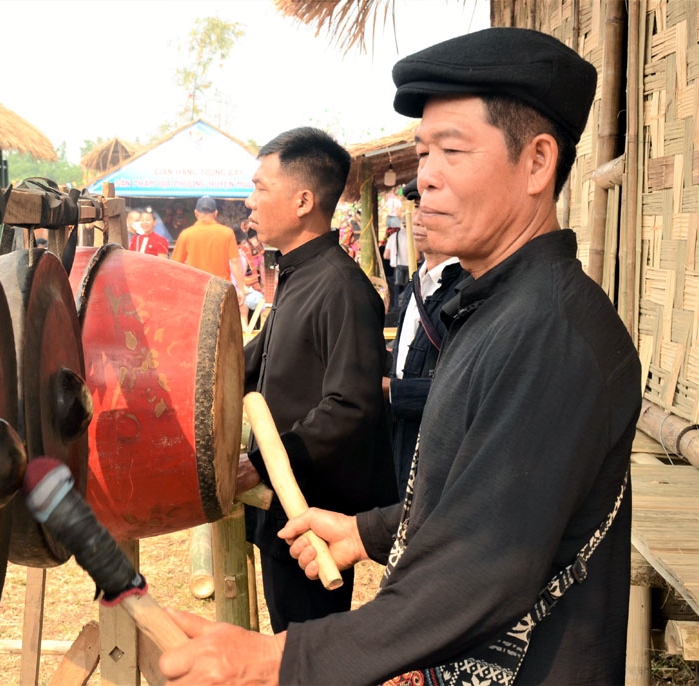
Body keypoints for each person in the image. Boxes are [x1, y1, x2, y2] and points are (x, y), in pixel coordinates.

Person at [160, 28, 641, 685]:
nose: (425, 179)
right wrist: (372, 532)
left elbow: (483, 569)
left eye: (452, 151)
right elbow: (479, 493)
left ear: (536, 164)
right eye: (422, 153)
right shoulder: (490, 307)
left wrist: (275, 659)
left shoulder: (553, 333)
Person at [234, 127, 397, 633]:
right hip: (283, 509)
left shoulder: (342, 288)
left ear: (303, 200)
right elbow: (254, 363)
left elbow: (351, 405)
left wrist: (262, 463)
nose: (249, 200)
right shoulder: (299, 275)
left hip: (312, 512)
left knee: (308, 653)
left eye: (261, 187)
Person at [384, 178, 467, 499]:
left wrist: (391, 391)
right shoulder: (415, 284)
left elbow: (466, 391)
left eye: (432, 209)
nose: (417, 218)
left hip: (441, 448)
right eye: (417, 207)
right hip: (401, 436)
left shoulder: (469, 290)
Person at [171, 196, 245, 305]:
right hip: (220, 289)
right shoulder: (227, 233)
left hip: (195, 289)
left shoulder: (186, 234)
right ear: (215, 213)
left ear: (196, 213)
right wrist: (241, 289)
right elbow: (235, 262)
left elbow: (175, 265)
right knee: (219, 321)